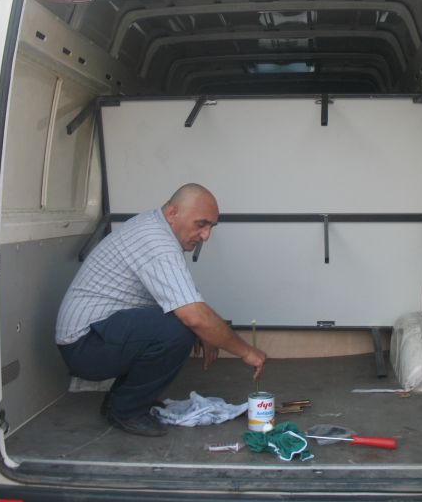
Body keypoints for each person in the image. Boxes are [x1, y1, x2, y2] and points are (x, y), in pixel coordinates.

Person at [55, 183, 267, 437]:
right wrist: (247, 352)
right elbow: (193, 315)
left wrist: (207, 330)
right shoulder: (157, 244)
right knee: (178, 329)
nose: (206, 235)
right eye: (201, 224)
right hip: (86, 346)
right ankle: (126, 410)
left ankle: (124, 401)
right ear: (172, 213)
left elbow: (185, 297)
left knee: (185, 323)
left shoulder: (153, 227)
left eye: (211, 226)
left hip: (96, 335)